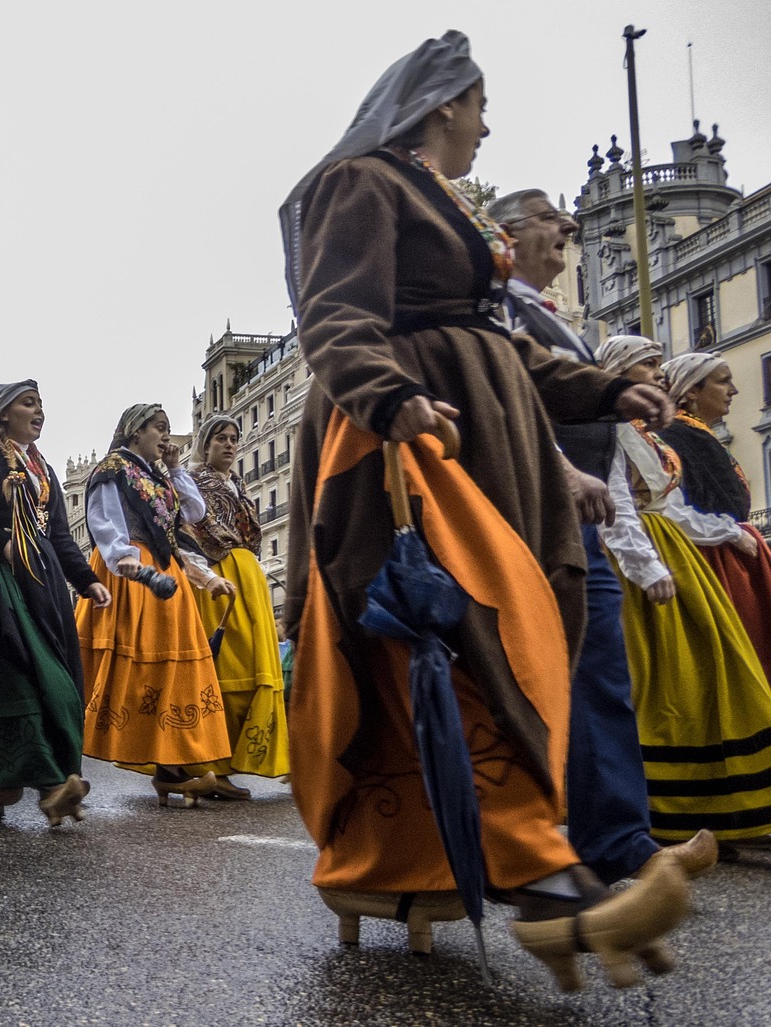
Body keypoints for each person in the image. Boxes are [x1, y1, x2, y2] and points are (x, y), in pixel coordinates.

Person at [279, 31, 688, 991]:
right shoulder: (363, 181)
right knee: (458, 637)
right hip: (405, 449)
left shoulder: (437, 203)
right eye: (478, 103)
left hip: (463, 442)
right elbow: (333, 312)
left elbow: (495, 339)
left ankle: (481, 866)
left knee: (497, 633)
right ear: (440, 103)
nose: (486, 122)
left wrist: (597, 389)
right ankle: (553, 880)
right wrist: (388, 399)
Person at [489, 191, 716, 884]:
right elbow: (507, 407)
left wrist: (624, 538)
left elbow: (607, 457)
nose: (566, 227)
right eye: (544, 217)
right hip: (527, 518)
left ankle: (619, 841)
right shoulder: (493, 310)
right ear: (507, 234)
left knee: (601, 680)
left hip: (585, 525)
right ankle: (525, 845)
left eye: (567, 224)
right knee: (528, 683)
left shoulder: (559, 325)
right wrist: (559, 472)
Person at [595, 336, 771, 848]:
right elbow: (617, 506)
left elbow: (671, 508)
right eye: (649, 366)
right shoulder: (609, 431)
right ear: (621, 374)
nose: (658, 374)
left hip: (675, 551)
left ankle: (733, 803)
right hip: (641, 562)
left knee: (716, 671)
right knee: (660, 684)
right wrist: (646, 567)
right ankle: (666, 810)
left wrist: (724, 531)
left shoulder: (645, 435)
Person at [0, 381, 111, 826]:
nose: (39, 411)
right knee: (16, 678)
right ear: (2, 413)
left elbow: (58, 534)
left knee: (56, 679)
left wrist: (87, 580)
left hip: (44, 587)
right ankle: (42, 783)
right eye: (28, 403)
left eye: (41, 404)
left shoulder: (43, 470)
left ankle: (44, 779)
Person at [77, 404, 233, 806]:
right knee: (121, 668)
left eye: (167, 429)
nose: (166, 436)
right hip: (131, 570)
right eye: (158, 429)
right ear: (134, 431)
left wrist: (176, 469)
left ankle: (172, 768)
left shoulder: (158, 476)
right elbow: (104, 521)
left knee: (175, 669)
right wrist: (123, 558)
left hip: (166, 573)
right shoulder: (113, 468)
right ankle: (65, 769)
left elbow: (195, 512)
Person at [180, 415, 290, 797]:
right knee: (226, 665)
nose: (229, 445)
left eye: (234, 439)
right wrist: (203, 576)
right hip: (217, 573)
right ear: (205, 445)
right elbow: (185, 531)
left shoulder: (238, 484)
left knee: (256, 662)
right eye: (220, 438)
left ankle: (239, 758)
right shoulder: (193, 482)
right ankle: (213, 765)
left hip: (249, 574)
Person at [658, 353, 771, 681]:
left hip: (731, 551)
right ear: (691, 392)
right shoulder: (676, 436)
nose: (733, 390)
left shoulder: (693, 433)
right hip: (717, 559)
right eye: (723, 381)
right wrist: (731, 535)